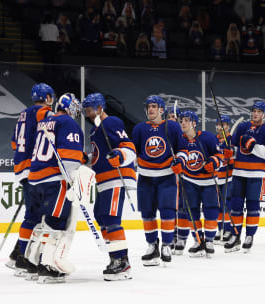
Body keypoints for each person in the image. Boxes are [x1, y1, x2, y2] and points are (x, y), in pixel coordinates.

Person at [26, 93, 84, 283]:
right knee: (56, 221)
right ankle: (48, 266)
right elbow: (68, 158)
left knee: (40, 222)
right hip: (54, 179)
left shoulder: (45, 121)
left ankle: (32, 264)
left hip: (34, 179)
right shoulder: (68, 123)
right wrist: (73, 180)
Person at [82, 93, 136, 281]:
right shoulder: (95, 130)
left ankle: (122, 261)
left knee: (111, 218)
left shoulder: (111, 122)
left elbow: (129, 147)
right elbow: (99, 156)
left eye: (90, 110)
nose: (88, 114)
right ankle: (115, 257)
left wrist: (120, 155)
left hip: (116, 178)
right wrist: (87, 159)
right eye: (86, 110)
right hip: (103, 180)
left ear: (100, 108)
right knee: (102, 216)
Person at [131, 95, 187, 266]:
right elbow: (133, 152)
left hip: (167, 176)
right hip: (146, 177)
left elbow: (182, 149)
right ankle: (152, 245)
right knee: (147, 213)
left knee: (167, 212)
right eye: (149, 106)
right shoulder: (139, 129)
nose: (150, 109)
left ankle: (166, 245)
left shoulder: (173, 127)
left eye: (154, 106)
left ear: (162, 109)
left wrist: (181, 161)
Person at [7, 83, 54, 276]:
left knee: (33, 213)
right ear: (49, 98)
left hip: (21, 167)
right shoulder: (43, 112)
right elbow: (50, 133)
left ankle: (17, 253)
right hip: (34, 169)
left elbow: (13, 143)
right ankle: (22, 258)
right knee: (36, 216)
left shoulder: (23, 114)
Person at [225, 101, 265, 253]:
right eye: (254, 111)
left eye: (259, 111)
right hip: (239, 172)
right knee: (235, 206)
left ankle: (249, 236)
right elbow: (235, 148)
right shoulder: (243, 127)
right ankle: (235, 236)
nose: (255, 114)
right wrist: (230, 153)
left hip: (257, 174)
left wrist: (252, 146)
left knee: (253, 206)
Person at [175, 111, 223, 258]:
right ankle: (197, 240)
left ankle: (208, 241)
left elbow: (219, 155)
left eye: (187, 120)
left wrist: (215, 162)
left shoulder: (207, 137)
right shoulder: (179, 140)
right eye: (181, 120)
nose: (183, 123)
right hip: (189, 181)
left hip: (208, 182)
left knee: (211, 210)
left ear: (194, 123)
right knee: (192, 212)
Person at [214, 115, 234, 245]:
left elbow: (235, 157)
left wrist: (230, 156)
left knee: (226, 204)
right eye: (219, 125)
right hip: (217, 177)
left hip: (229, 177)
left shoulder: (232, 140)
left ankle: (228, 230)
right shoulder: (214, 140)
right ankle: (220, 229)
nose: (221, 127)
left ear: (228, 126)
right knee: (218, 205)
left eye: (224, 125)